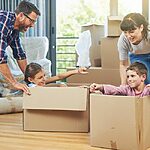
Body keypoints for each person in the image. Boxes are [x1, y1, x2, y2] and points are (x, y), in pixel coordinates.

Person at [0, 1, 41, 95]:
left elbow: (20, 55)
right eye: (31, 21)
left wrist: (30, 79)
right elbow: (0, 57)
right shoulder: (2, 22)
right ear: (21, 15)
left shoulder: (14, 30)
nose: (32, 25)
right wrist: (14, 83)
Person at [117, 13, 150, 85]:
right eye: (125, 32)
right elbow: (123, 64)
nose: (128, 36)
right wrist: (123, 85)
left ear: (141, 27)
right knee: (139, 80)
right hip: (136, 56)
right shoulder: (123, 39)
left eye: (132, 32)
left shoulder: (149, 35)